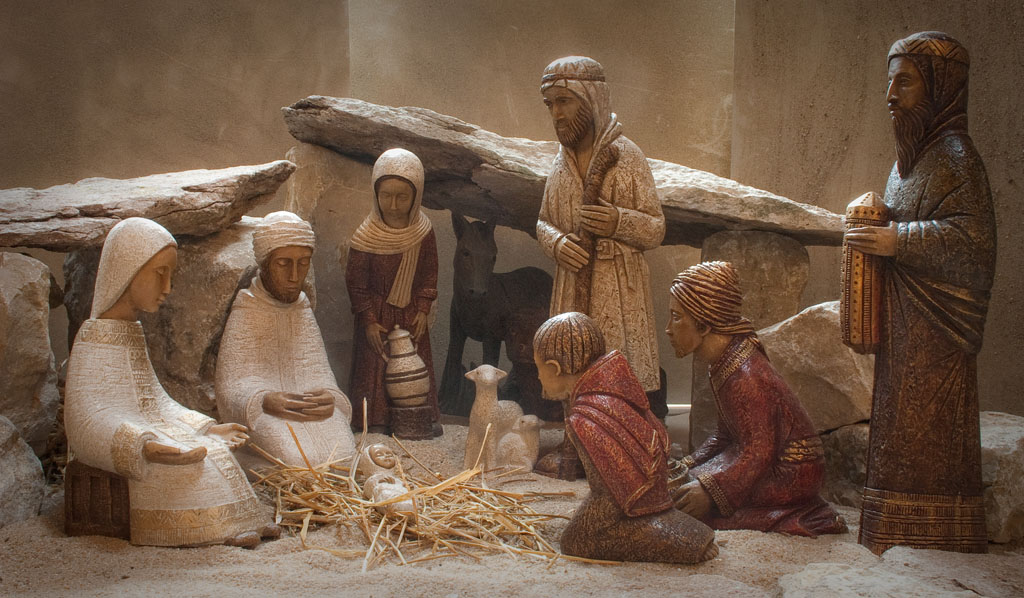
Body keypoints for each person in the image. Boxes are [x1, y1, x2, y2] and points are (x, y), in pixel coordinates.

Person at [844, 31, 995, 554]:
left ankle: (939, 529)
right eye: (890, 83)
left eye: (904, 83)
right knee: (897, 425)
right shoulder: (907, 164)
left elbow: (974, 244)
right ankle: (892, 525)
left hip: (937, 329)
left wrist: (897, 239)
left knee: (929, 431)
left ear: (940, 88)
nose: (890, 96)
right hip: (904, 325)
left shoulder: (956, 157)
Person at [64, 218, 275, 548]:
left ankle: (245, 521)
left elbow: (155, 401)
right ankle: (215, 529)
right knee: (183, 465)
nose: (167, 287)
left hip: (146, 428)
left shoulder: (130, 331)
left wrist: (204, 427)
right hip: (127, 437)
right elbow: (84, 419)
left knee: (213, 448)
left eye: (170, 275)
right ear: (128, 270)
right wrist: (141, 446)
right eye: (160, 273)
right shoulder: (93, 339)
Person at [535, 56, 666, 476]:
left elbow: (656, 227)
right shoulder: (560, 162)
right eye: (550, 104)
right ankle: (576, 447)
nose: (556, 113)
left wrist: (617, 221)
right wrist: (558, 243)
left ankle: (619, 453)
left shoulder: (626, 157)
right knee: (570, 364)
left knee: (616, 368)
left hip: (617, 287)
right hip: (573, 279)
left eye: (564, 101)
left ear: (590, 98)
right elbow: (543, 221)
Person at [666, 262, 846, 537]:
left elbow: (759, 453)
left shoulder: (746, 375)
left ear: (703, 324)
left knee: (693, 508)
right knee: (683, 485)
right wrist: (688, 464)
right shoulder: (724, 363)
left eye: (676, 317)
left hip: (790, 472)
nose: (668, 329)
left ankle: (801, 518)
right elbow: (726, 437)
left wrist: (709, 492)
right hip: (757, 459)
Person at [533, 312, 717, 563]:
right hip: (652, 490)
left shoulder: (584, 418)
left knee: (576, 541)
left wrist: (590, 523)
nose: (538, 377)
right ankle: (671, 525)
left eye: (539, 368)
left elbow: (609, 495)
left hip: (631, 502)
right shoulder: (611, 382)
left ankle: (679, 540)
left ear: (555, 368)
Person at [216, 211, 355, 472]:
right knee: (299, 463)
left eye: (303, 263)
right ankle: (252, 463)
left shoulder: (301, 308)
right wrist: (264, 400)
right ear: (265, 264)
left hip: (309, 410)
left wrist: (330, 398)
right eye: (283, 263)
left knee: (344, 459)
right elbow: (230, 387)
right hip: (266, 412)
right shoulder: (248, 308)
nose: (294, 275)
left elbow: (319, 371)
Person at [346, 148, 440, 434]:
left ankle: (422, 419)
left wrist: (423, 308)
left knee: (416, 365)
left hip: (410, 313)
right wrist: (368, 320)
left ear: (416, 195)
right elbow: (356, 282)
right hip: (377, 314)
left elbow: (429, 273)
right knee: (374, 366)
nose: (394, 205)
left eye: (402, 196)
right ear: (376, 194)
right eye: (386, 195)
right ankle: (375, 420)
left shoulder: (423, 232)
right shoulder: (365, 235)